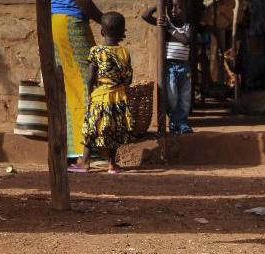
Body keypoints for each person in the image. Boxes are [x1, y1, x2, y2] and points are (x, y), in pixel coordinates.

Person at [51, 0, 103, 170]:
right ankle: (85, 151)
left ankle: (73, 150)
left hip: (59, 22)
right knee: (88, 84)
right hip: (71, 23)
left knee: (72, 88)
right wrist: (105, 21)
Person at [78, 12, 133, 174]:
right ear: (123, 33)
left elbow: (89, 77)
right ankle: (112, 164)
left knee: (92, 128)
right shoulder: (124, 52)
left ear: (102, 31)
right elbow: (128, 78)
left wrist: (90, 93)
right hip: (118, 97)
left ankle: (85, 162)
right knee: (114, 129)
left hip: (100, 95)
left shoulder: (96, 51)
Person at [141, 0, 193, 134]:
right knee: (172, 96)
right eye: (170, 7)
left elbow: (186, 41)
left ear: (185, 10)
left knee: (185, 98)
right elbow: (145, 16)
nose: (174, 10)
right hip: (170, 67)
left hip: (184, 67)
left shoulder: (188, 26)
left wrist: (169, 28)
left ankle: (181, 123)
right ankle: (174, 121)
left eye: (178, 7)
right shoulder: (163, 24)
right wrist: (159, 6)